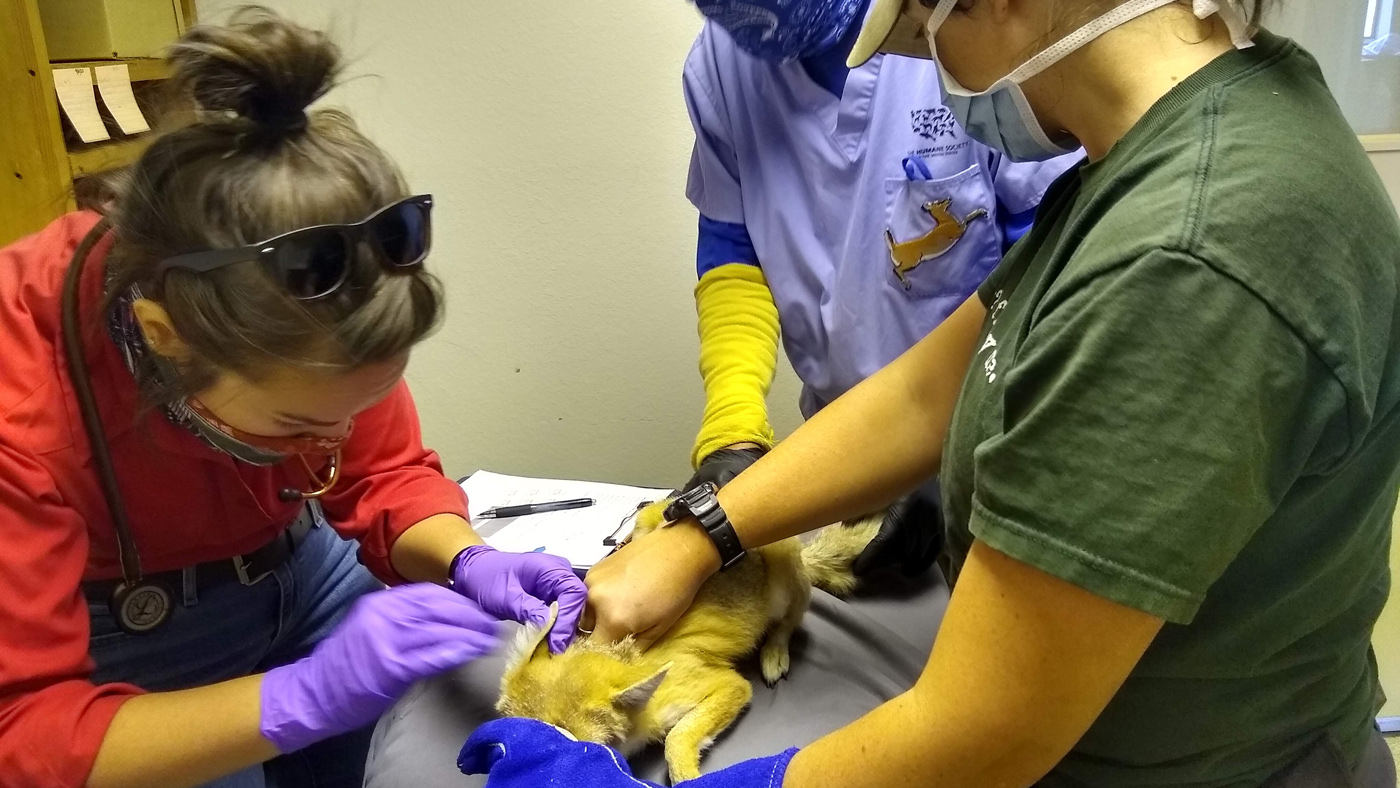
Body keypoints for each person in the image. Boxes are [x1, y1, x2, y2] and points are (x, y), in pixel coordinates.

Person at [475, 0, 1400, 786]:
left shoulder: (1188, 257)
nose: (926, 67)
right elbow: (934, 386)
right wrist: (704, 531)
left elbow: (982, 734)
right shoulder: (1167, 142)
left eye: (920, 30)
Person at [0, 10, 585, 788]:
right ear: (161, 333)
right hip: (128, 643)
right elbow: (28, 732)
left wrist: (463, 554)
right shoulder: (21, 401)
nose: (338, 440)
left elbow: (382, 476)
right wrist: (306, 697)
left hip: (309, 573)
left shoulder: (320, 284)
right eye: (300, 424)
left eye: (362, 402)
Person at [681, 0, 1081, 576]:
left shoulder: (959, 31)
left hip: (1001, 445)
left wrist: (961, 449)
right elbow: (734, 255)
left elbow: (1052, 268)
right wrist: (732, 429)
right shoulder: (720, 66)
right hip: (844, 449)